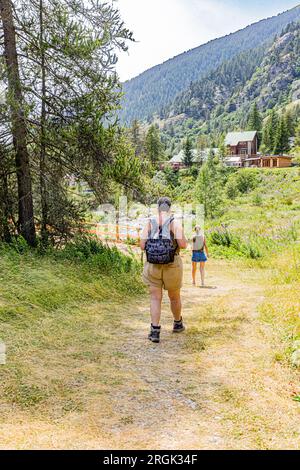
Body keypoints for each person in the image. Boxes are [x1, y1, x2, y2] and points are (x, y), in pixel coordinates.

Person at [140, 197, 188, 343]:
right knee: (174, 297)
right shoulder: (175, 222)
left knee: (155, 298)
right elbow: (183, 244)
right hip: (172, 265)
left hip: (153, 265)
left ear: (158, 208)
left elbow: (142, 245)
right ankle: (177, 323)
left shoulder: (149, 222)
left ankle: (155, 331)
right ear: (169, 208)